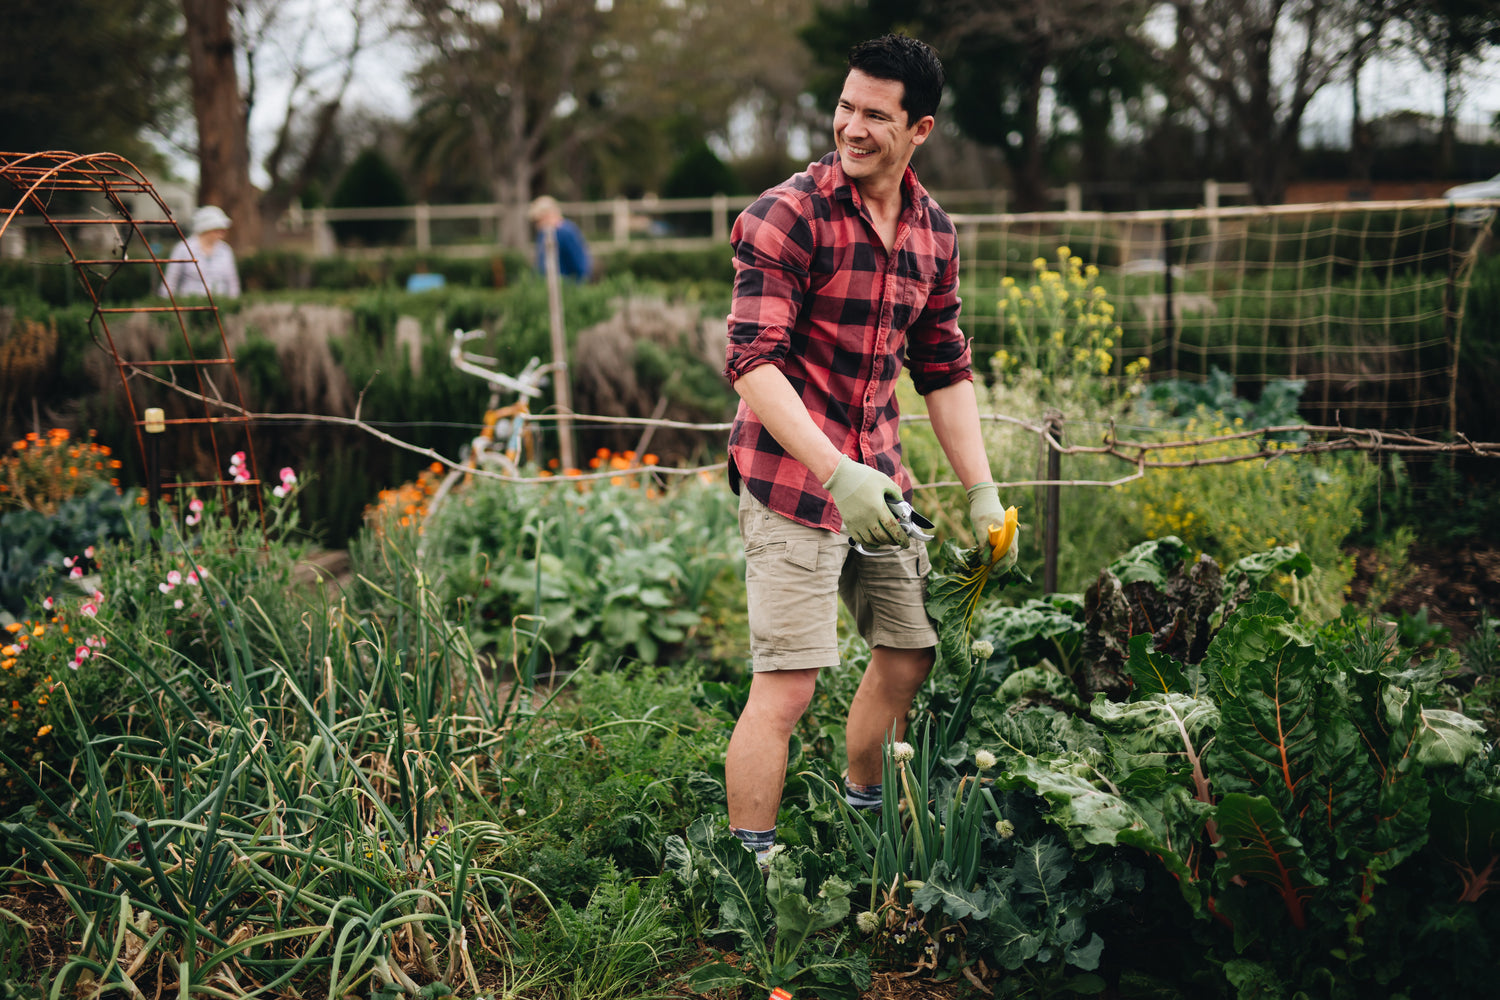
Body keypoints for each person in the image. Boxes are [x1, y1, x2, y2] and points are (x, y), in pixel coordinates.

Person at [720, 33, 1019, 863]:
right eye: (846, 107)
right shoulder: (788, 215)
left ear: (918, 129)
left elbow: (944, 367)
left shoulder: (932, 232)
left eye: (875, 116)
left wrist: (982, 490)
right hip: (791, 478)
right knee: (787, 688)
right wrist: (833, 471)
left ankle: (863, 811)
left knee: (910, 652)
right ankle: (753, 867)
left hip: (879, 479)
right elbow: (751, 362)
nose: (852, 127)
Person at [158, 205, 241, 300]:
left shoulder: (226, 250)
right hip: (191, 305)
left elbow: (233, 284)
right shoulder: (183, 249)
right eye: (218, 230)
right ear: (206, 229)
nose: (222, 233)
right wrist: (165, 305)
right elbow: (170, 281)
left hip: (220, 307)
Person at [528, 195, 591, 282]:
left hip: (566, 286)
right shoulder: (544, 234)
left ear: (549, 215)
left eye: (539, 220)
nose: (537, 225)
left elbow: (580, 264)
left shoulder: (566, 232)